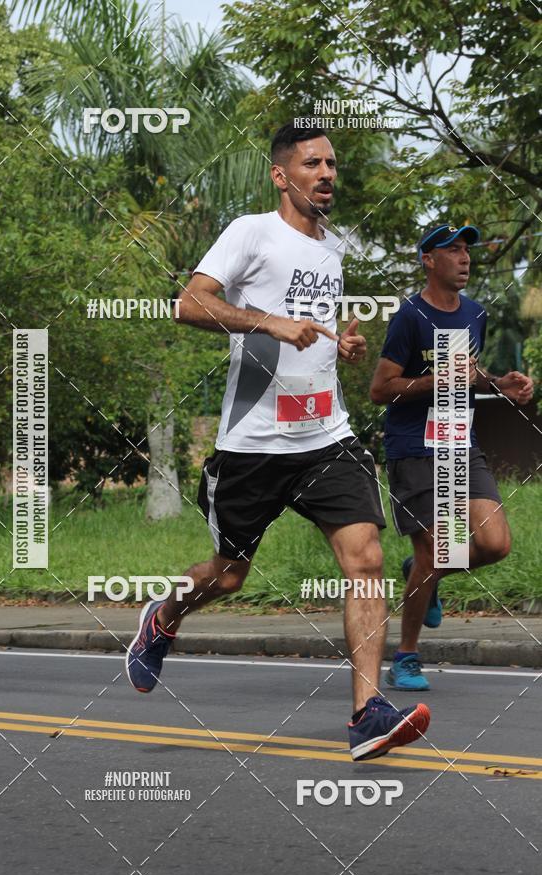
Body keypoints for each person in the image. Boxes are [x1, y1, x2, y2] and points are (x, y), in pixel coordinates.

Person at [125, 123, 430, 761]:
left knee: (366, 557)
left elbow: (308, 334)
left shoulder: (332, 247)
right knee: (229, 577)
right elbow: (189, 304)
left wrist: (336, 345)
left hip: (326, 435)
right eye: (313, 163)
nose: (327, 174)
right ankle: (164, 617)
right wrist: (272, 323)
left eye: (332, 164)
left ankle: (367, 713)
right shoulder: (250, 232)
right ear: (280, 175)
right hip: (254, 444)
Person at [370, 223, 534, 691]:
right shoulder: (409, 317)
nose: (465, 258)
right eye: (454, 250)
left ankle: (424, 574)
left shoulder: (475, 314)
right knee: (439, 548)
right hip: (415, 448)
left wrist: (499, 384)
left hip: (460, 444)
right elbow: (381, 389)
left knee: (494, 544)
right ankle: (405, 657)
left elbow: (469, 373)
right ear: (428, 260)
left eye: (467, 251)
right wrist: (434, 380)